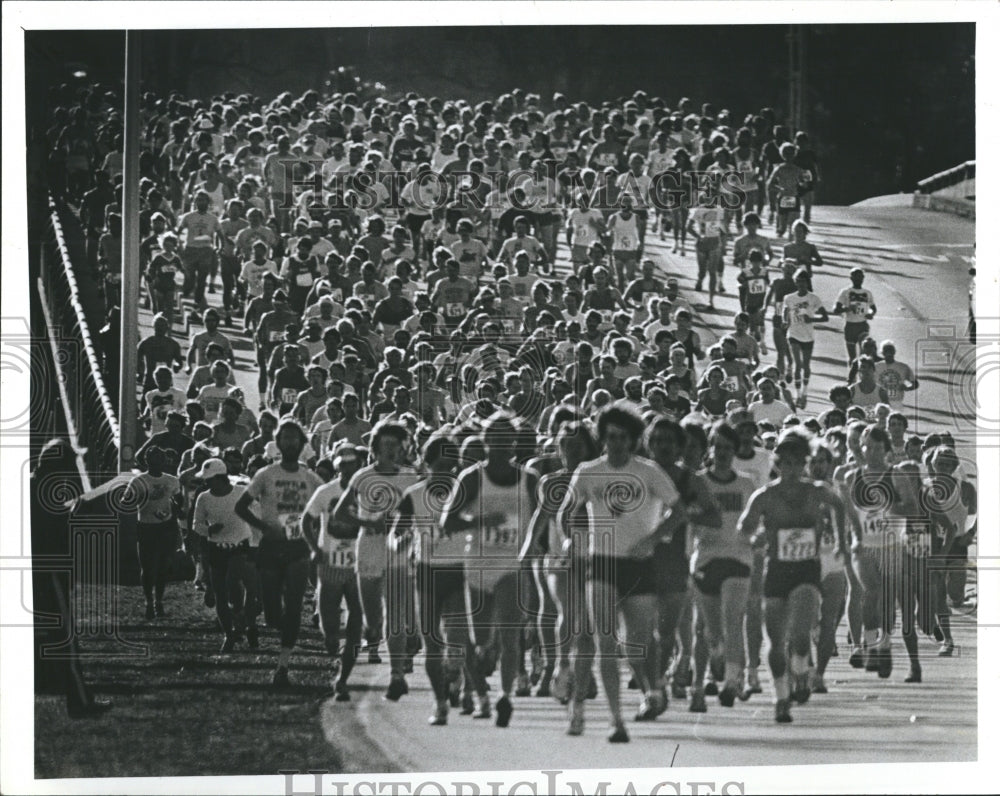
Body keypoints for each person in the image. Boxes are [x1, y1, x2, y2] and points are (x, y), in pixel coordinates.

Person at [557, 406, 681, 742]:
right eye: (610, 437)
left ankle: (648, 690)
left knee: (637, 643)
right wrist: (571, 539)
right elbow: (567, 511)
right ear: (602, 437)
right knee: (605, 644)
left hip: (639, 566)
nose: (616, 444)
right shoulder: (588, 471)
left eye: (623, 438)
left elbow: (679, 508)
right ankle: (616, 720)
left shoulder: (649, 471)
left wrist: (654, 538)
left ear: (634, 440)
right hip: (602, 563)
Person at [736, 429, 847, 723]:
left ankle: (800, 670)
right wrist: (755, 538)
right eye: (785, 462)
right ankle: (781, 697)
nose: (791, 468)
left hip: (806, 570)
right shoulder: (765, 496)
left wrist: (842, 542)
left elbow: (838, 506)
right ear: (777, 463)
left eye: (798, 462)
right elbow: (744, 527)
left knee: (799, 635)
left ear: (804, 463)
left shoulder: (816, 491)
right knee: (774, 641)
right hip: (777, 571)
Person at [440, 413, 540, 728]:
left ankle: (505, 696)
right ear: (485, 442)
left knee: (510, 636)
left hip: (513, 564)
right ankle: (478, 687)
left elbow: (546, 515)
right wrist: (482, 521)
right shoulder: (472, 478)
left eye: (506, 439)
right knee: (480, 640)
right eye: (493, 439)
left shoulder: (530, 479)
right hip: (478, 565)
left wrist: (538, 546)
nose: (500, 445)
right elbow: (448, 521)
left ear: (514, 443)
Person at [330, 422, 420, 694]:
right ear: (376, 448)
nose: (392, 451)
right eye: (386, 445)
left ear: (405, 448)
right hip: (369, 546)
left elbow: (422, 511)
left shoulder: (411, 477)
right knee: (372, 622)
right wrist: (366, 522)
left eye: (397, 445)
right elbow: (340, 513)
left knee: (396, 614)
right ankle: (388, 638)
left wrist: (405, 526)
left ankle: (396, 677)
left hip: (399, 550)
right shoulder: (363, 476)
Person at [235, 419, 324, 687]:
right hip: (271, 546)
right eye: (284, 438)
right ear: (278, 441)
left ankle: (282, 666)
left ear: (302, 443)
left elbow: (327, 505)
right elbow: (241, 507)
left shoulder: (310, 477)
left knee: (294, 605)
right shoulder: (266, 474)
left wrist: (313, 531)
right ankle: (282, 623)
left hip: (298, 546)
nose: (289, 442)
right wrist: (263, 527)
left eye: (294, 438)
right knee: (273, 614)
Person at [31, 439, 112, 718]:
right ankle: (79, 702)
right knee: (65, 640)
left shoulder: (32, 483)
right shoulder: (45, 488)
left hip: (37, 570)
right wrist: (76, 511)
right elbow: (51, 525)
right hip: (49, 570)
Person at [685, 422, 756, 711]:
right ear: (710, 449)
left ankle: (731, 681)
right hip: (705, 559)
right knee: (704, 630)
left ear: (736, 450)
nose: (724, 453)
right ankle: (698, 685)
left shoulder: (747, 484)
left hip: (739, 558)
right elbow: (685, 519)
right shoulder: (698, 482)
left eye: (729, 447)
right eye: (719, 447)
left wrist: (759, 537)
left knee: (732, 617)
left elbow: (756, 521)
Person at [302, 443, 365, 701]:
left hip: (359, 564)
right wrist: (313, 548)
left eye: (352, 463)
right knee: (329, 624)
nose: (348, 468)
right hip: (330, 562)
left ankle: (343, 678)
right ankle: (330, 639)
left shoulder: (368, 490)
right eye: (343, 464)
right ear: (337, 465)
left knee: (356, 623)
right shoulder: (326, 491)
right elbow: (307, 519)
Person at [191, 458, 254, 653]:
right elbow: (196, 524)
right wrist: (209, 530)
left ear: (221, 478)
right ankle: (229, 633)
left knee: (234, 583)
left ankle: (241, 616)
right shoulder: (204, 498)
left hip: (240, 546)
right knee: (219, 592)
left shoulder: (240, 493)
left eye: (210, 480)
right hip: (216, 548)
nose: (207, 484)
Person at [123, 445, 183, 620]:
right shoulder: (139, 481)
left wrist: (176, 509)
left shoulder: (172, 480)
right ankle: (149, 601)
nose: (157, 463)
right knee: (148, 567)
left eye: (160, 459)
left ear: (164, 461)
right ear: (147, 461)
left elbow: (178, 501)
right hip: (147, 525)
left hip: (166, 525)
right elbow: (126, 501)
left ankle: (159, 601)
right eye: (153, 460)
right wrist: (137, 499)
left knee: (163, 566)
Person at [781, 268, 828, 408]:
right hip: (794, 334)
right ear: (796, 282)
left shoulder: (813, 298)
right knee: (798, 364)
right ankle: (797, 395)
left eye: (804, 281)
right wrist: (785, 321)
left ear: (808, 282)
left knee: (806, 365)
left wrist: (811, 319)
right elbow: (785, 311)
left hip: (808, 336)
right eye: (799, 281)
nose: (801, 284)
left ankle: (805, 393)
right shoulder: (789, 298)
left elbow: (825, 317)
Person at [831, 268, 877, 363]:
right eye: (855, 277)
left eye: (860, 277)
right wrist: (846, 309)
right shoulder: (845, 292)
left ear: (863, 278)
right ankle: (852, 376)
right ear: (851, 278)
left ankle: (861, 375)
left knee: (864, 355)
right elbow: (835, 309)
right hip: (850, 326)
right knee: (852, 357)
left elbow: (873, 308)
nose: (858, 279)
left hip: (862, 325)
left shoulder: (867, 293)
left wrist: (870, 314)